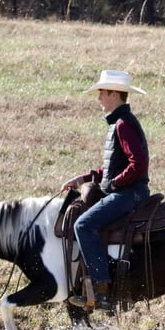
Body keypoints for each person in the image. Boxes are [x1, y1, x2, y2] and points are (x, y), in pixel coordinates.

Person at [61, 69, 150, 312]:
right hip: (126, 191)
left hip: (128, 194)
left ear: (114, 94)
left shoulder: (123, 125)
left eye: (102, 93)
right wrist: (84, 178)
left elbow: (137, 164)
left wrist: (113, 185)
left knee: (83, 225)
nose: (98, 98)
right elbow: (112, 167)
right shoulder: (119, 123)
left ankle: (101, 289)